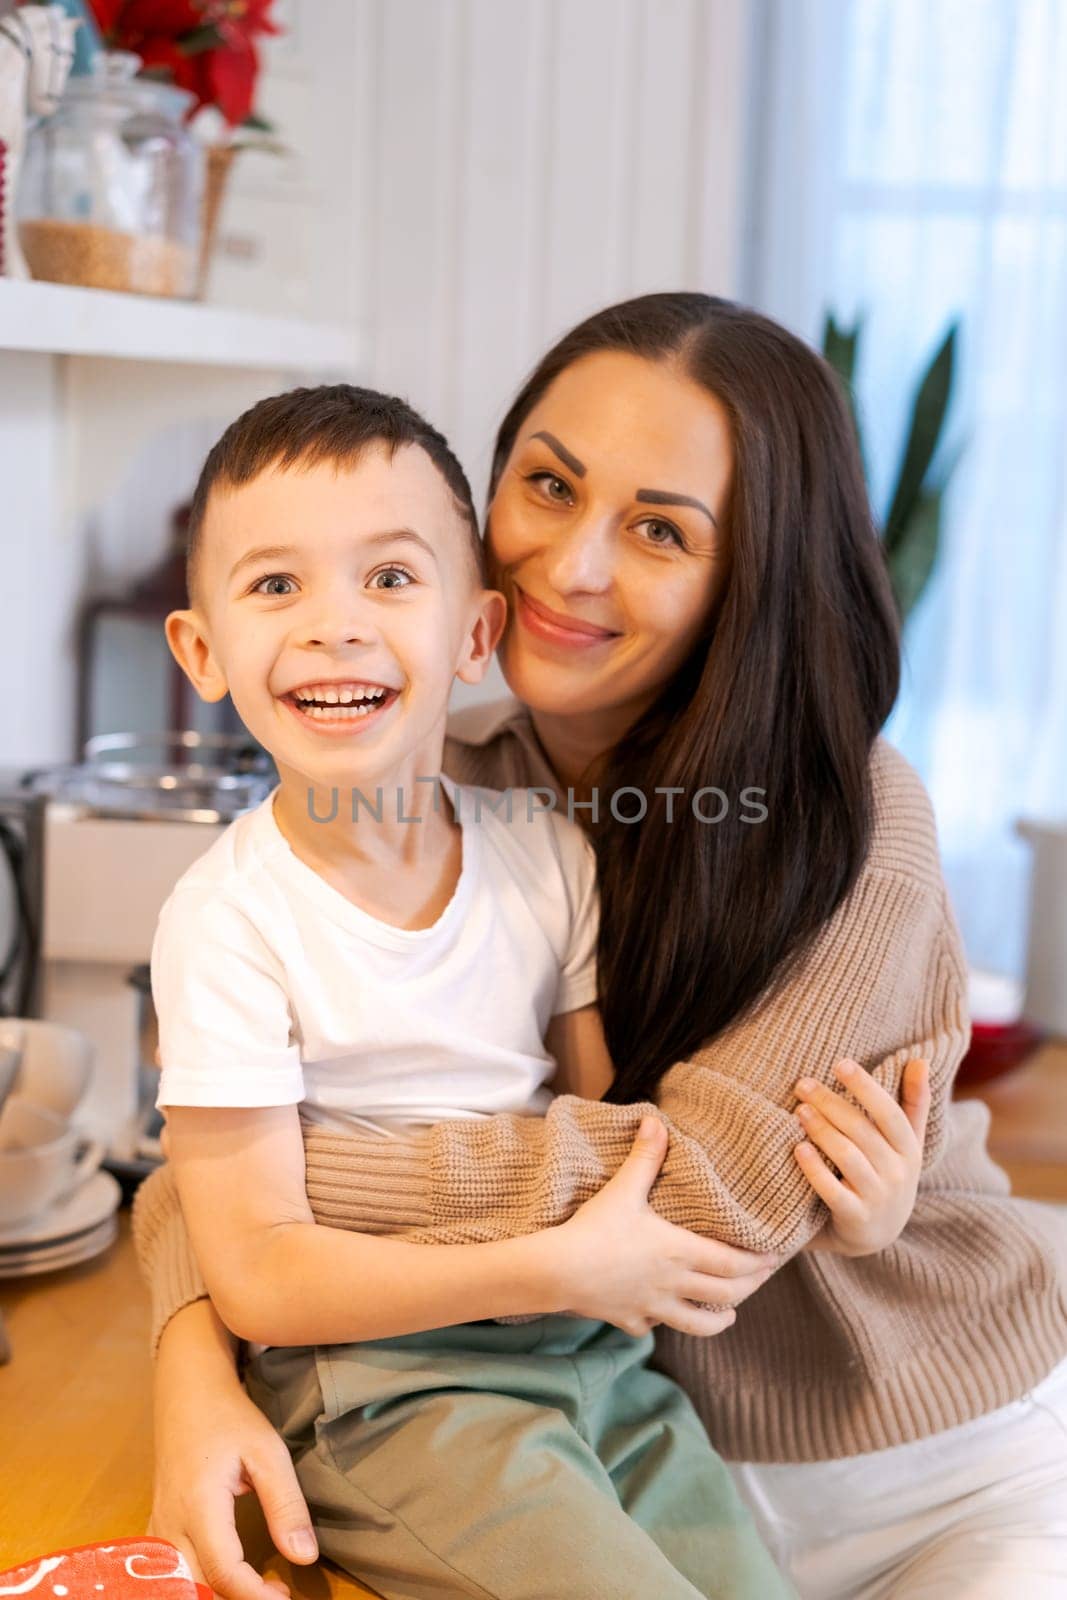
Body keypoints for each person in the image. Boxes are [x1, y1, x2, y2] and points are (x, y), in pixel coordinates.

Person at [134, 292, 1067, 1600]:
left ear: (749, 573)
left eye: (657, 531)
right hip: (594, 1423)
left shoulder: (842, 810)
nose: (570, 568)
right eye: (548, 486)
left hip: (931, 1455)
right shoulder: (422, 789)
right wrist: (195, 1356)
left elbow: (702, 1202)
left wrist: (281, 1215)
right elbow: (215, 1158)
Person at [150, 381, 796, 1600]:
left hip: (594, 1359)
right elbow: (260, 1279)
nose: (334, 626)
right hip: (387, 1388)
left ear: (474, 634)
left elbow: (600, 1126)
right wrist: (551, 1266)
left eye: (388, 578)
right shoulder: (226, 921)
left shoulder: (544, 850)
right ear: (201, 650)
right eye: (275, 585)